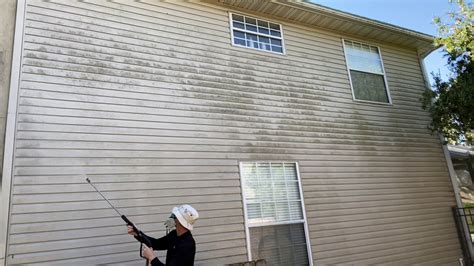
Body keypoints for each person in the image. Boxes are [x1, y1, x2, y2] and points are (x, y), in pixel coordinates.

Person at [128, 204, 199, 266]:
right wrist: (137, 233)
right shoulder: (174, 234)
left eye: (174, 216)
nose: (171, 217)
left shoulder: (187, 245)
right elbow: (156, 243)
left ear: (179, 221)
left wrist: (152, 258)